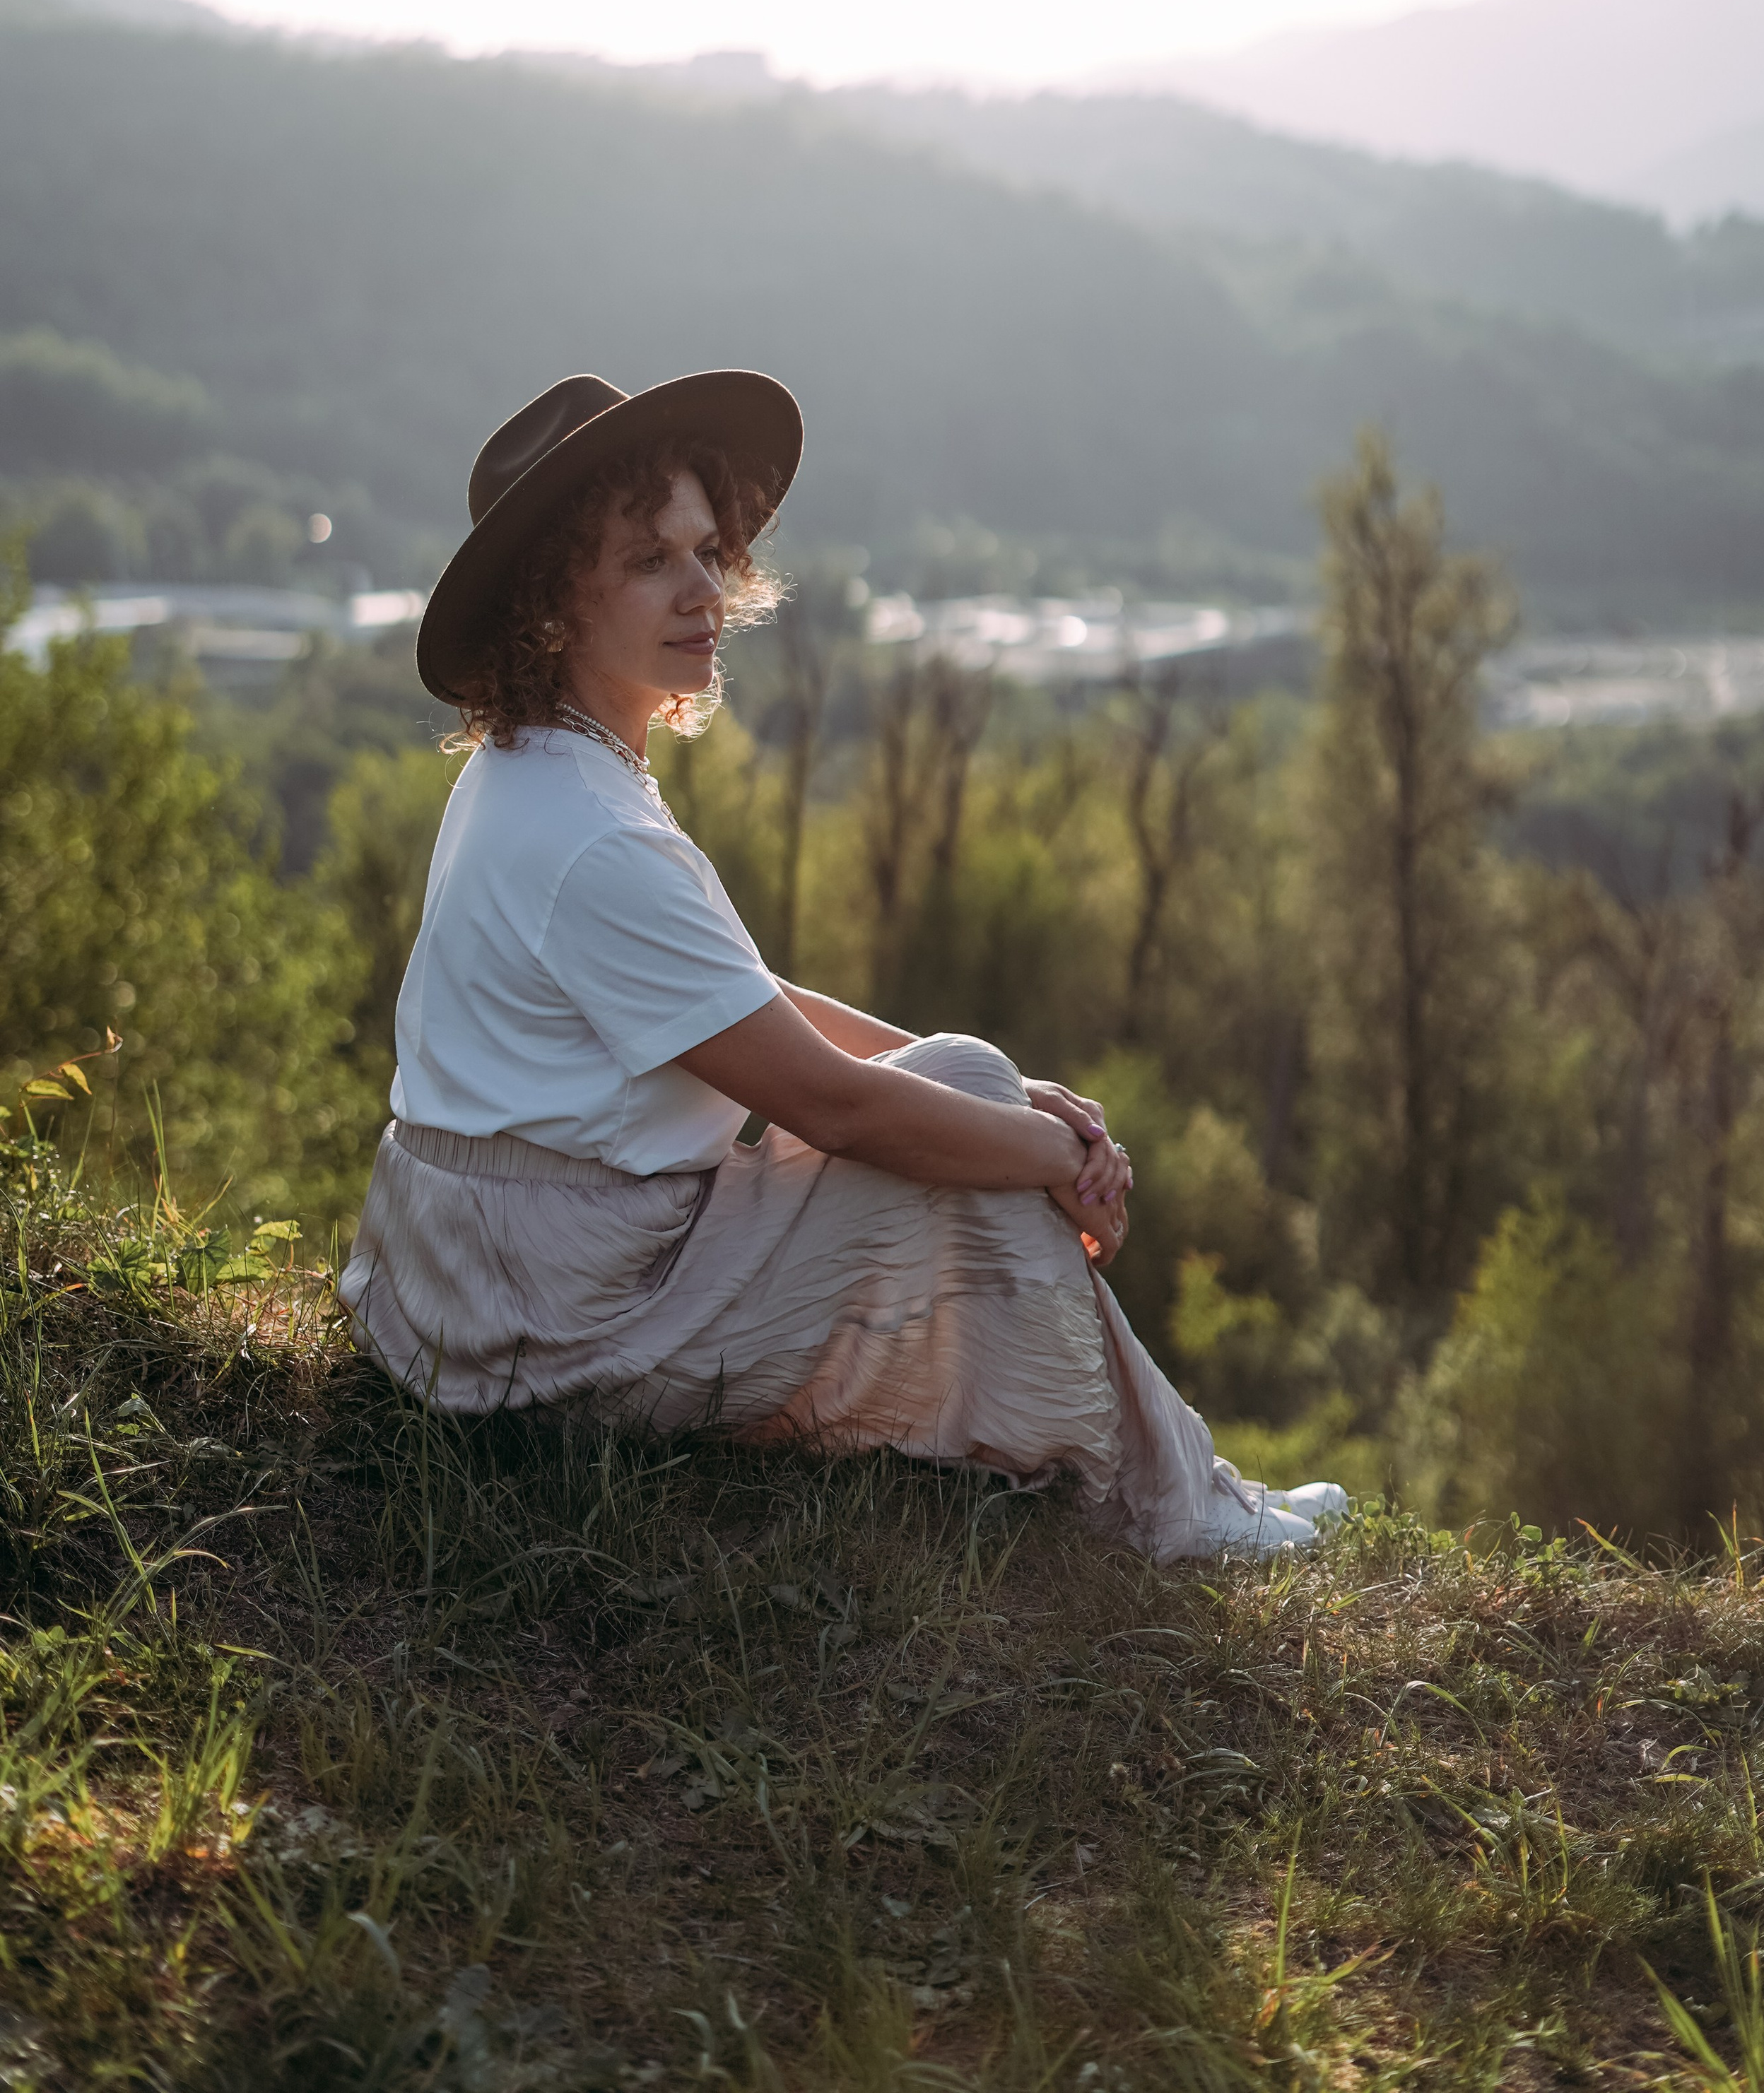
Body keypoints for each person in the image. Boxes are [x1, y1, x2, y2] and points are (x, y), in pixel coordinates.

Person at [339, 370, 1346, 1558]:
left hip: (480, 1284)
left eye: (708, 550)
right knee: (959, 1099)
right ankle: (1173, 1509)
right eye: (650, 562)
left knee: (969, 1085)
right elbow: (827, 1103)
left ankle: (1180, 1481)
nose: (704, 591)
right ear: (550, 607)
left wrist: (1025, 1113)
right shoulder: (589, 833)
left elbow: (740, 1001)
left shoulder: (540, 772)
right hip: (553, 1320)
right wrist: (1057, 1158)